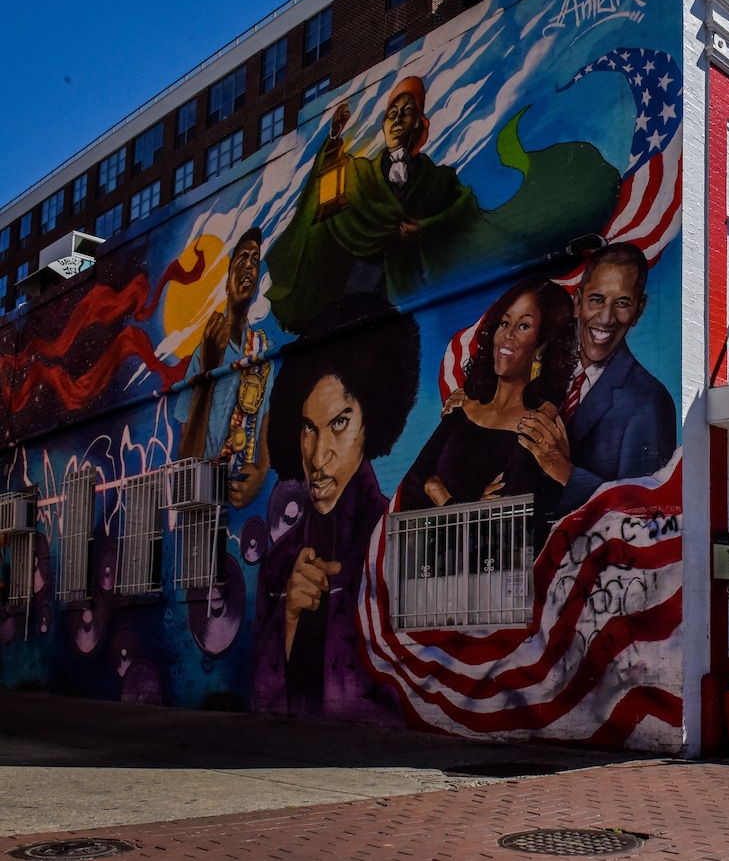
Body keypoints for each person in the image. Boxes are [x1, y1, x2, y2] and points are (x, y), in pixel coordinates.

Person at [264, 76, 621, 334]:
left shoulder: (439, 180)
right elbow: (319, 199)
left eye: (407, 111)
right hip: (354, 300)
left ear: (421, 124)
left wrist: (425, 229)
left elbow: (463, 217)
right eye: (392, 112)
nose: (397, 119)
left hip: (406, 300)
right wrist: (332, 139)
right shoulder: (359, 176)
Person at [252, 295, 420, 721]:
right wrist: (289, 618)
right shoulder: (277, 565)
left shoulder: (396, 544)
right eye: (308, 428)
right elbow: (263, 703)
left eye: (339, 423)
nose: (318, 454)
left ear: (371, 423)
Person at [515, 243, 676, 518]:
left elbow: (640, 512)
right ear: (577, 302)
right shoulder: (545, 373)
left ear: (639, 310)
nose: (605, 318)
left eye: (622, 303)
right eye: (597, 300)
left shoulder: (649, 401)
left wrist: (565, 471)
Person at [397, 278, 577, 516]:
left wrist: (441, 493)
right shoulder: (463, 408)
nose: (507, 335)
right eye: (504, 323)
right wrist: (471, 506)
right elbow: (411, 487)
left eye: (524, 326)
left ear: (541, 345)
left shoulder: (538, 428)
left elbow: (500, 525)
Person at [174, 227, 274, 508]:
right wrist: (208, 370)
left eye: (255, 260)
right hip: (203, 505)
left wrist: (261, 474)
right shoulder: (204, 351)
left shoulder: (263, 350)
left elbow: (266, 428)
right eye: (242, 259)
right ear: (227, 280)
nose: (249, 267)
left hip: (241, 508)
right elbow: (185, 461)